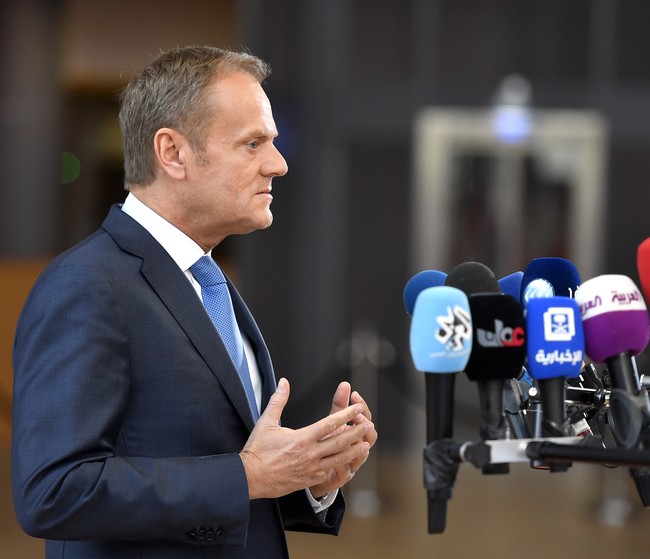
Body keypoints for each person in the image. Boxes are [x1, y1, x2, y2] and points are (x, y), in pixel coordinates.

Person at [11, 45, 377, 558]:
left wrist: (310, 479)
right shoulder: (85, 285)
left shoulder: (207, 280)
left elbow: (230, 479)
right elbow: (53, 493)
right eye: (252, 144)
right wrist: (248, 475)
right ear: (173, 153)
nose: (279, 163)